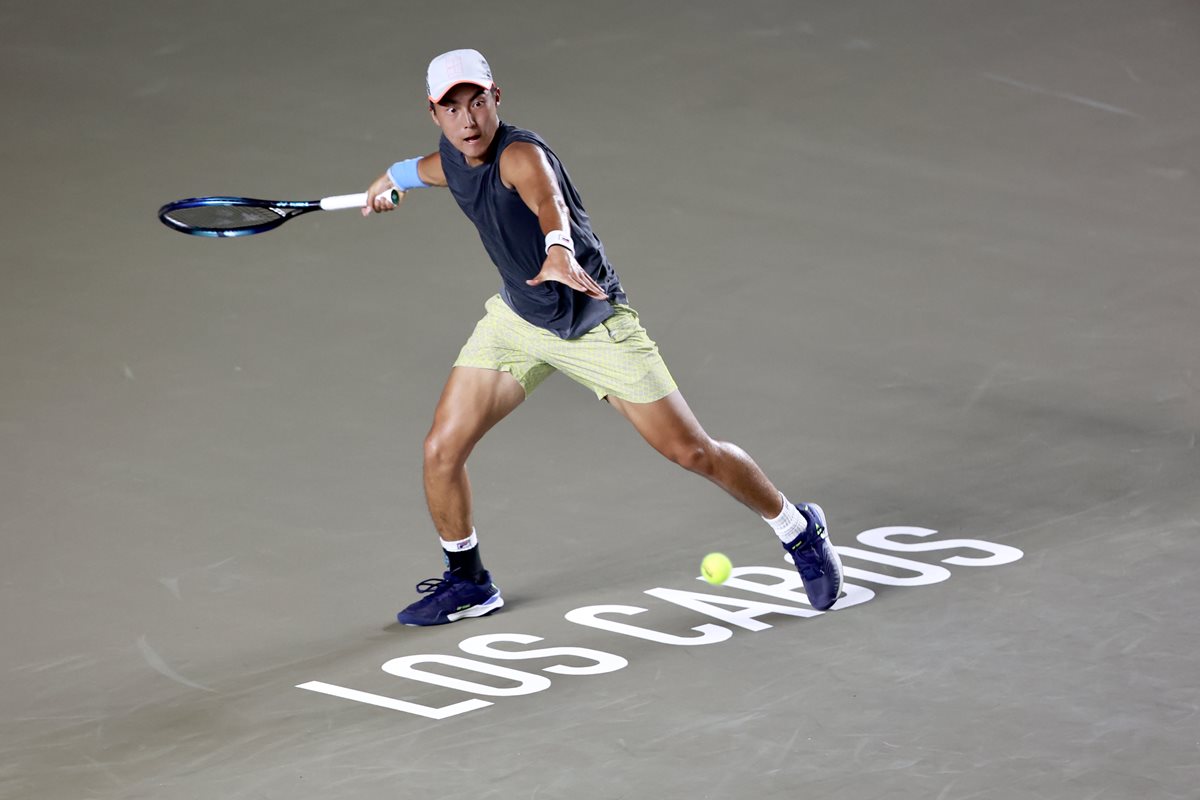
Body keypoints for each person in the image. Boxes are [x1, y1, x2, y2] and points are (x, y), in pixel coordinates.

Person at [363, 49, 843, 626]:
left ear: (496, 98)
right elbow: (427, 170)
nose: (468, 119)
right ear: (434, 113)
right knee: (441, 450)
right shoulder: (452, 154)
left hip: (592, 323)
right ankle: (469, 581)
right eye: (452, 108)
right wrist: (391, 181)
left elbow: (548, 201)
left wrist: (558, 249)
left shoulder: (520, 155)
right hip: (518, 322)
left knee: (692, 451)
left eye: (478, 102)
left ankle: (798, 527)